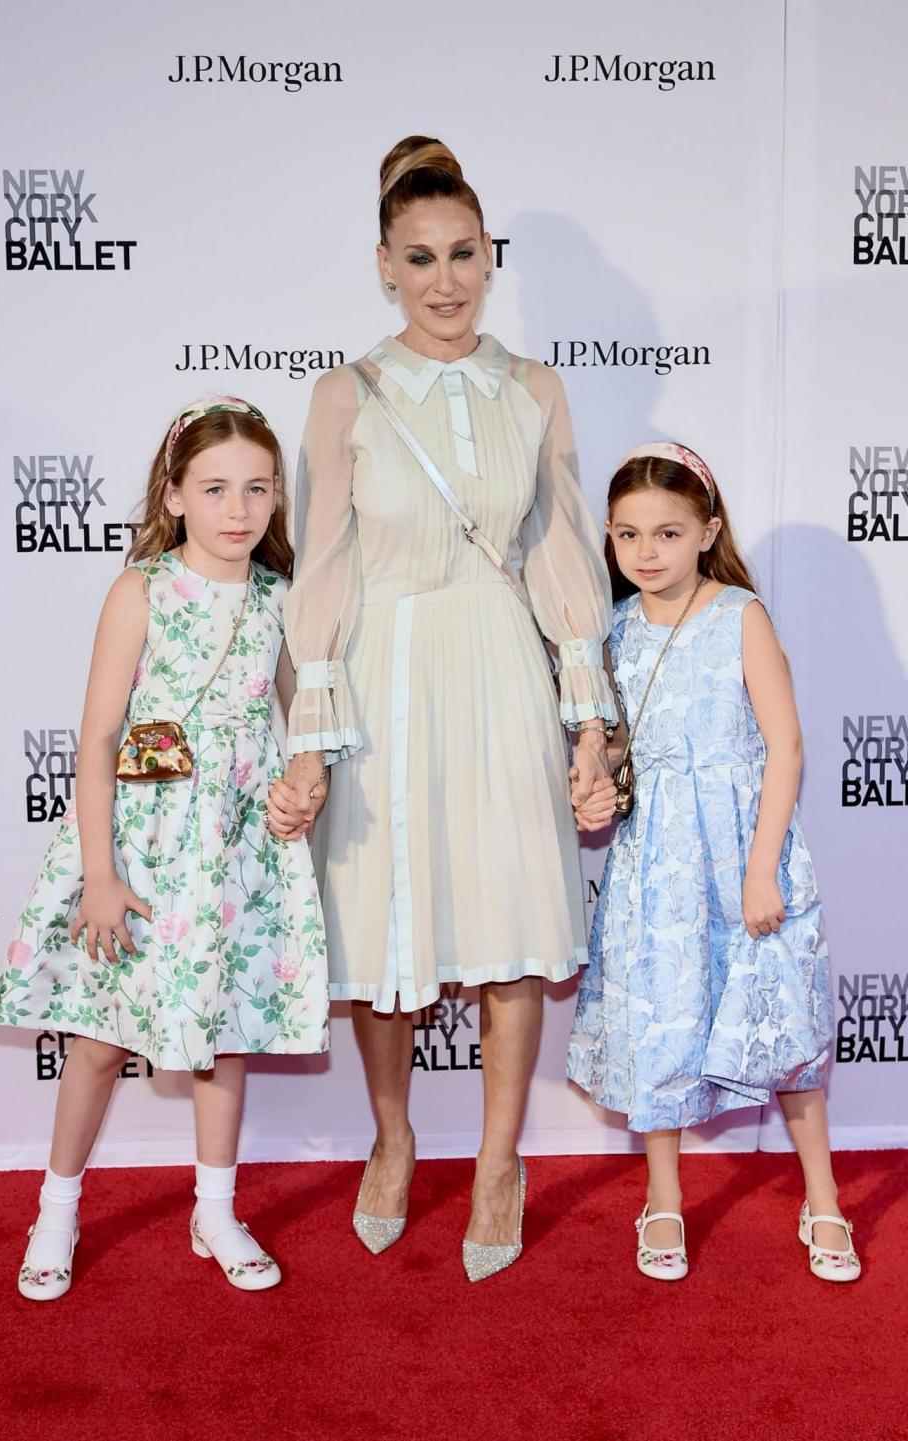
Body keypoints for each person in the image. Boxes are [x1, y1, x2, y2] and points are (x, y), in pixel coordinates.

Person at [266, 136, 615, 1282]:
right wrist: (312, 733)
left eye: (466, 253)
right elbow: (322, 564)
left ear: (488, 256)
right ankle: (394, 1137)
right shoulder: (346, 394)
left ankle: (501, 1161)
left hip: (500, 668)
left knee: (513, 924)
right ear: (384, 264)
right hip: (383, 673)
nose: (448, 280)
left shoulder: (536, 390)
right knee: (384, 933)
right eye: (421, 258)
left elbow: (565, 556)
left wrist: (589, 720)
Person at [0, 396, 329, 1300]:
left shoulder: (279, 598)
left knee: (220, 1034)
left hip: (234, 849)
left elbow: (305, 716)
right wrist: (100, 875)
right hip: (142, 846)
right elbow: (99, 738)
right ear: (174, 494)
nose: (238, 509)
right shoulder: (140, 590)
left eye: (258, 489)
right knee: (100, 1036)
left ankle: (214, 1209)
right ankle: (56, 1210)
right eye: (215, 489)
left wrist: (305, 782)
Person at [568, 442, 859, 1284]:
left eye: (667, 531)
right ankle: (663, 1196)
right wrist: (592, 783)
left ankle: (824, 1196)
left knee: (790, 1034)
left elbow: (787, 745)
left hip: (745, 850)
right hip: (656, 866)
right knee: (661, 1024)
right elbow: (612, 749)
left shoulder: (740, 615)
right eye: (627, 535)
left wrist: (762, 867)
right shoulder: (611, 631)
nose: (646, 552)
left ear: (709, 531)